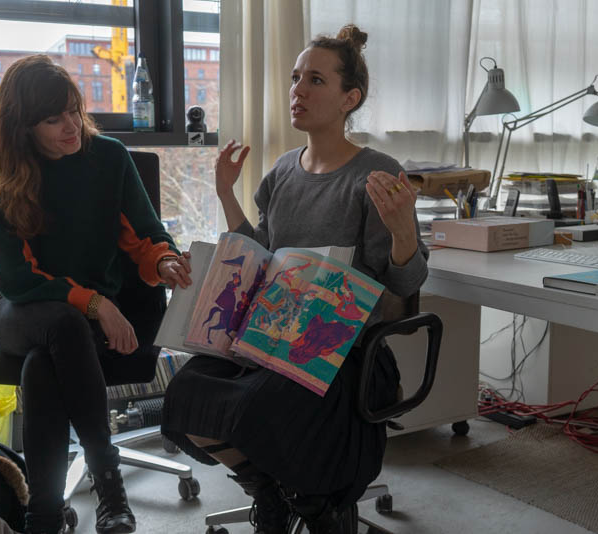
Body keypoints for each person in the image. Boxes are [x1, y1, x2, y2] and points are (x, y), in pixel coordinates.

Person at [162, 24, 429, 534]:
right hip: (269, 339)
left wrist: (402, 232)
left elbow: (404, 288)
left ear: (350, 98)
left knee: (259, 407)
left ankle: (313, 503)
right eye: (295, 78)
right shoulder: (284, 170)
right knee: (185, 395)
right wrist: (225, 194)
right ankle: (275, 493)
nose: (298, 90)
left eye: (315, 80)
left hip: (342, 352)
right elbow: (259, 256)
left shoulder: (376, 173)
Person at [0, 55, 192, 534]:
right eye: (54, 119)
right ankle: (110, 486)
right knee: (63, 323)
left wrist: (164, 262)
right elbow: (18, 279)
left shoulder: (107, 158)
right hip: (20, 309)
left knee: (44, 364)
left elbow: (146, 234)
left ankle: (44, 517)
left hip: (78, 325)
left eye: (74, 111)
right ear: (22, 126)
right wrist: (96, 303)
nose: (72, 126)